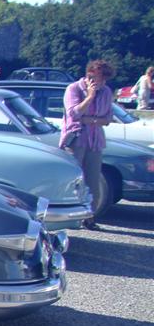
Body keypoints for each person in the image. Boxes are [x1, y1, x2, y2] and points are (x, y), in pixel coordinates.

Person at [60, 59, 114, 230]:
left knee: (93, 180)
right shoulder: (74, 89)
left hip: (95, 141)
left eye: (105, 79)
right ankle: (66, 216)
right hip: (76, 138)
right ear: (90, 75)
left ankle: (89, 217)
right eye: (100, 78)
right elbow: (74, 114)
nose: (102, 82)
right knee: (73, 179)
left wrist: (89, 120)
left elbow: (108, 118)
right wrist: (90, 97)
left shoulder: (106, 92)